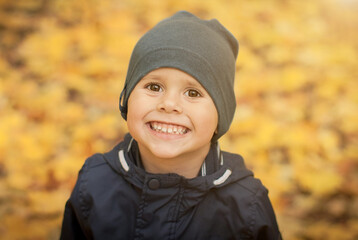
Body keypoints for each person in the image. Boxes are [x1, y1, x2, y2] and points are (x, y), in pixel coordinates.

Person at [60, 10, 282, 239]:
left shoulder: (246, 207)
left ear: (221, 115)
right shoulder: (95, 183)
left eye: (193, 92)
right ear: (126, 98)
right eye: (154, 87)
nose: (169, 104)